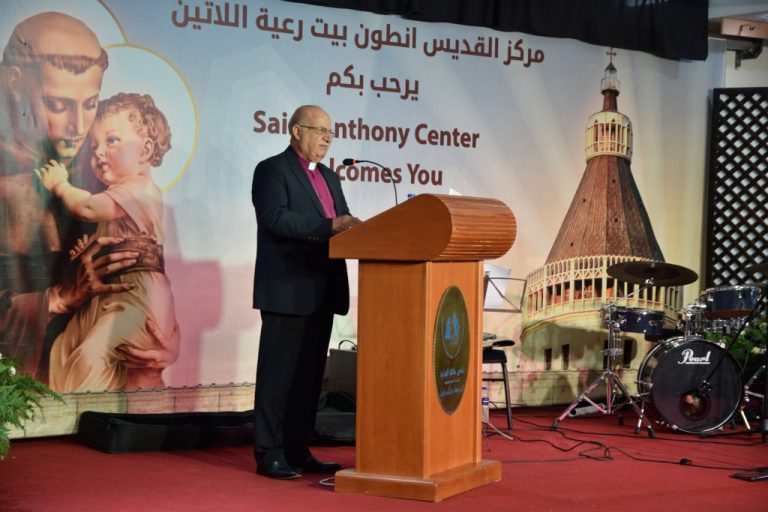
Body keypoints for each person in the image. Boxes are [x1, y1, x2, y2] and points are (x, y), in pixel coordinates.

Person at [0, 12, 177, 381]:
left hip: (111, 357)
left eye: (90, 104)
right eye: (58, 105)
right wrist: (56, 298)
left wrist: (161, 336)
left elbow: (145, 271)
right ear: (14, 84)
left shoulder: (104, 171)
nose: (78, 128)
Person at [35, 92, 178, 392]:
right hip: (109, 293)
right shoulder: (117, 198)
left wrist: (60, 184)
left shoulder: (140, 188)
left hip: (136, 297)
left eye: (111, 141)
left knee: (93, 355)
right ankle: (67, 406)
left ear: (145, 149)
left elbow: (88, 207)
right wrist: (88, 251)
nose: (98, 152)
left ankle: (90, 410)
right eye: (94, 146)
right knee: (64, 347)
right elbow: (109, 238)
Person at [251, 105, 361, 479]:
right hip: (287, 289)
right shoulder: (272, 170)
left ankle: (297, 449)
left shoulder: (330, 177)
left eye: (331, 132)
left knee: (309, 379)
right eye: (320, 130)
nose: (327, 138)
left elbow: (342, 224)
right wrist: (329, 226)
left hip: (322, 289)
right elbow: (274, 218)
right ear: (296, 131)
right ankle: (269, 452)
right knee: (277, 377)